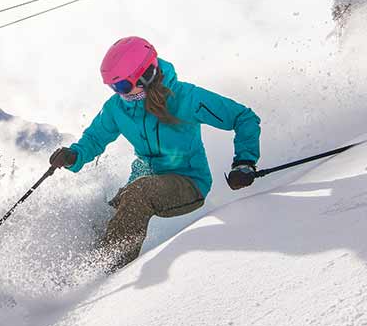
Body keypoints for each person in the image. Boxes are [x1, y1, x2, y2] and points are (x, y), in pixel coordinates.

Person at [49, 36, 261, 272]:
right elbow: (95, 138)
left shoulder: (186, 98)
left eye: (122, 86)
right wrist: (74, 155)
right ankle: (75, 278)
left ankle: (106, 275)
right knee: (109, 213)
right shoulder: (117, 108)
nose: (120, 93)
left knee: (139, 194)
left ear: (147, 74)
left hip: (189, 182)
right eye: (114, 87)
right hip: (144, 179)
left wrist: (245, 162)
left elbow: (243, 117)